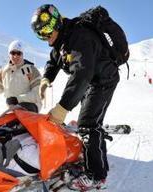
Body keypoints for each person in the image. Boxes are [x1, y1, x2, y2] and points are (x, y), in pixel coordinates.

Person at [31, 4, 120, 191]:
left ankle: (96, 176)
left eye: (47, 31)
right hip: (91, 81)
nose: (45, 37)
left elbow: (82, 73)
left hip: (103, 80)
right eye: (40, 34)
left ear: (57, 24)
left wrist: (63, 107)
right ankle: (98, 162)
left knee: (87, 124)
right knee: (91, 122)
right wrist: (47, 78)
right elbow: (54, 60)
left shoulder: (79, 36)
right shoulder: (61, 40)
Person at [0, 40, 42, 112]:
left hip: (30, 107)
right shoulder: (5, 71)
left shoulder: (31, 70)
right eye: (13, 53)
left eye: (18, 53)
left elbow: (38, 93)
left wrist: (18, 99)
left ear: (22, 54)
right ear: (9, 54)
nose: (15, 56)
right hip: (12, 109)